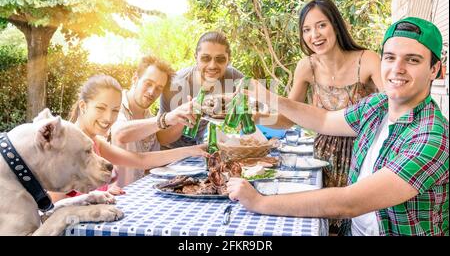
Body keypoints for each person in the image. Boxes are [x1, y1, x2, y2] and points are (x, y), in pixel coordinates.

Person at [228, 17, 448, 236]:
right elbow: (324, 120)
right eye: (390, 58)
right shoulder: (377, 106)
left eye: (412, 60)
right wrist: (267, 97)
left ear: (434, 69)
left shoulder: (432, 136)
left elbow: (349, 203)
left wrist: (259, 202)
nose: (397, 69)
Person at [49, 75, 207, 202]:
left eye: (115, 110)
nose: (108, 118)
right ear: (83, 106)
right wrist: (92, 197)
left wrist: (192, 150)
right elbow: (53, 207)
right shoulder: (64, 145)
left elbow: (141, 160)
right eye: (100, 108)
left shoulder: (95, 142)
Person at [110, 56, 197, 187]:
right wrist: (167, 118)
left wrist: (182, 118)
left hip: (138, 192)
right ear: (135, 79)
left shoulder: (147, 115)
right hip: (110, 196)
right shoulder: (115, 104)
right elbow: (120, 133)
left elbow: (161, 140)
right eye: (148, 83)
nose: (152, 92)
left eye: (158, 88)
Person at [158, 31, 244, 149]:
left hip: (198, 147)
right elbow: (162, 139)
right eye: (205, 58)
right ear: (196, 57)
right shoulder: (175, 84)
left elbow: (266, 112)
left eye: (220, 59)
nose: (212, 65)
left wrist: (241, 108)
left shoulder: (234, 78)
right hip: (169, 152)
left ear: (228, 60)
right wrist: (184, 118)